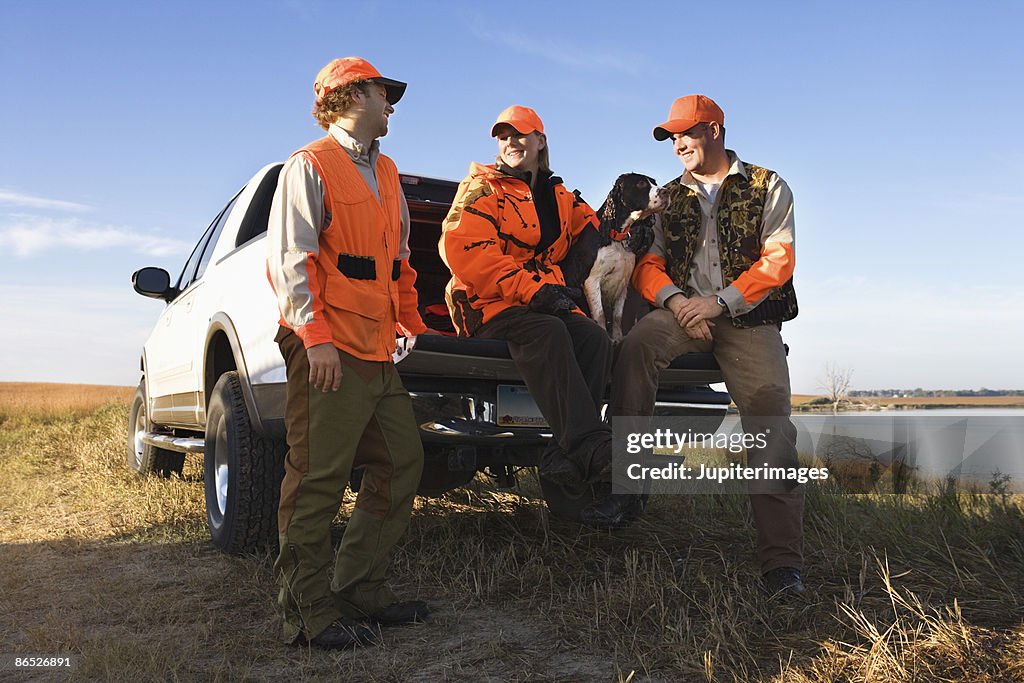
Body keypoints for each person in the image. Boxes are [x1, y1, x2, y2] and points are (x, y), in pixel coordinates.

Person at [266, 56, 432, 649]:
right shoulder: (309, 166)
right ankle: (307, 612)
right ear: (353, 95)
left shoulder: (387, 173)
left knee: (402, 460)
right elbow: (292, 261)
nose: (392, 104)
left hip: (378, 350)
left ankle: (360, 586)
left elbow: (399, 262)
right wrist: (315, 340)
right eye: (386, 93)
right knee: (317, 478)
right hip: (327, 349)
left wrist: (409, 320)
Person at [610, 94, 806, 595]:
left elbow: (778, 260)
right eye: (671, 138)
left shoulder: (767, 185)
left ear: (714, 131)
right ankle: (628, 484)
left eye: (685, 134)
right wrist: (677, 304)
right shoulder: (667, 197)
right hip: (682, 312)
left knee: (768, 414)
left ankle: (782, 564)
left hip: (748, 317)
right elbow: (646, 265)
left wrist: (719, 304)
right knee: (635, 347)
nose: (677, 144)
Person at [438, 105, 637, 526]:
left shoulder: (562, 197)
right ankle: (595, 450)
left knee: (594, 339)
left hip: (542, 300)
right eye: (503, 136)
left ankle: (561, 459)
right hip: (486, 305)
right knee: (548, 332)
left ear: (540, 141)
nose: (511, 143)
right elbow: (465, 252)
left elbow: (604, 229)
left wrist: (639, 217)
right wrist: (536, 291)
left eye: (521, 135)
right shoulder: (481, 189)